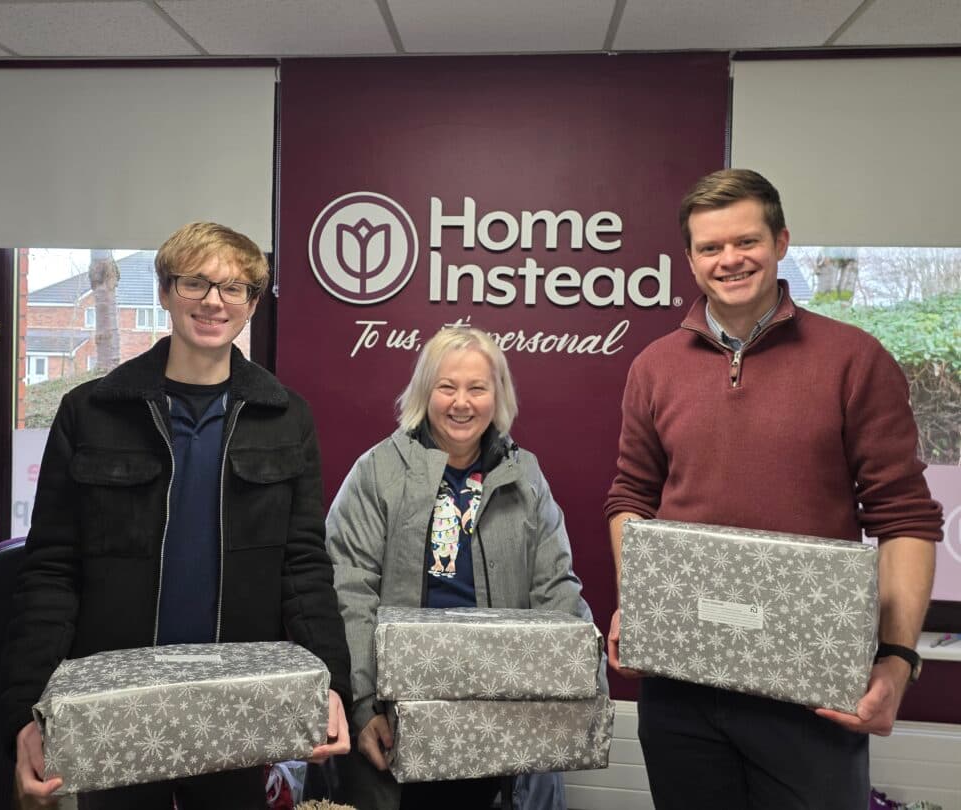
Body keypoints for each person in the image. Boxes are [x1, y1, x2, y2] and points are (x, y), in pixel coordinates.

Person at [605, 169, 943, 810]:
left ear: (781, 241)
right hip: (682, 687)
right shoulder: (654, 368)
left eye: (746, 241)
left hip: (810, 691)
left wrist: (896, 661)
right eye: (710, 247)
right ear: (691, 259)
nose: (729, 259)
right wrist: (642, 602)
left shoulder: (854, 359)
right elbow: (631, 498)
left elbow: (905, 518)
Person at [0, 223, 351, 809]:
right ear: (164, 292)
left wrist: (333, 684)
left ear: (251, 306)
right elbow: (51, 574)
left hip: (237, 707)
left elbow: (305, 569)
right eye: (196, 283)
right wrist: (25, 713)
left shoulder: (287, 419)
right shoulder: (90, 413)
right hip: (113, 709)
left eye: (234, 289)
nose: (214, 301)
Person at [326, 326, 603, 810]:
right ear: (423, 392)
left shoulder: (526, 476)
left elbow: (557, 588)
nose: (462, 403)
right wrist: (363, 704)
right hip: (400, 717)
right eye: (446, 386)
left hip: (503, 718)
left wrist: (585, 681)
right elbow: (349, 591)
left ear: (497, 396)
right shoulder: (376, 472)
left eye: (477, 388)